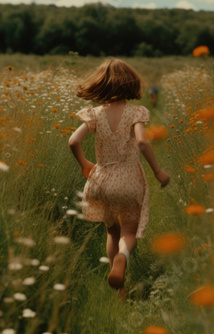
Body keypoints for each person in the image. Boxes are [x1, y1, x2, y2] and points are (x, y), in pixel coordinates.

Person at [68, 58, 170, 298]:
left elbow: (73, 141)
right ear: (130, 84)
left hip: (101, 179)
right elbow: (143, 142)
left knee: (112, 232)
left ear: (101, 85)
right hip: (128, 178)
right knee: (129, 233)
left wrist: (85, 165)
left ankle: (119, 291)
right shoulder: (136, 112)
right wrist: (158, 171)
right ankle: (122, 259)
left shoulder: (94, 114)